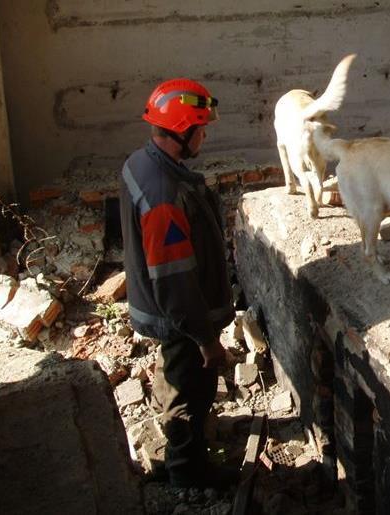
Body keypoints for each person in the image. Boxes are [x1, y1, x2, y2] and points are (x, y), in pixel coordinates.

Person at [119, 78, 236, 488]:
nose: (205, 135)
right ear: (182, 131)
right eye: (201, 128)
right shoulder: (165, 197)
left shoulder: (141, 162)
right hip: (180, 316)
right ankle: (189, 472)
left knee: (177, 377)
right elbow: (174, 279)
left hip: (164, 306)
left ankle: (183, 451)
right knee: (191, 389)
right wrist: (205, 339)